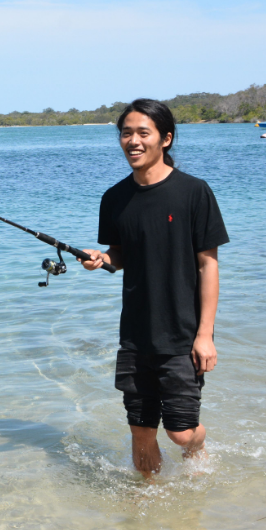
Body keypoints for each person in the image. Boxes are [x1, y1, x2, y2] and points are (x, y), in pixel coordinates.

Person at [78, 99, 229, 480]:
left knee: (180, 434)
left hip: (181, 335)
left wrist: (205, 335)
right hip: (135, 336)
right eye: (126, 133)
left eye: (143, 133)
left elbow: (207, 264)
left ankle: (199, 443)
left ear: (166, 138)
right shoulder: (114, 198)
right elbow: (120, 254)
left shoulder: (194, 192)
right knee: (141, 434)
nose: (133, 141)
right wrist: (102, 260)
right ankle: (144, 508)